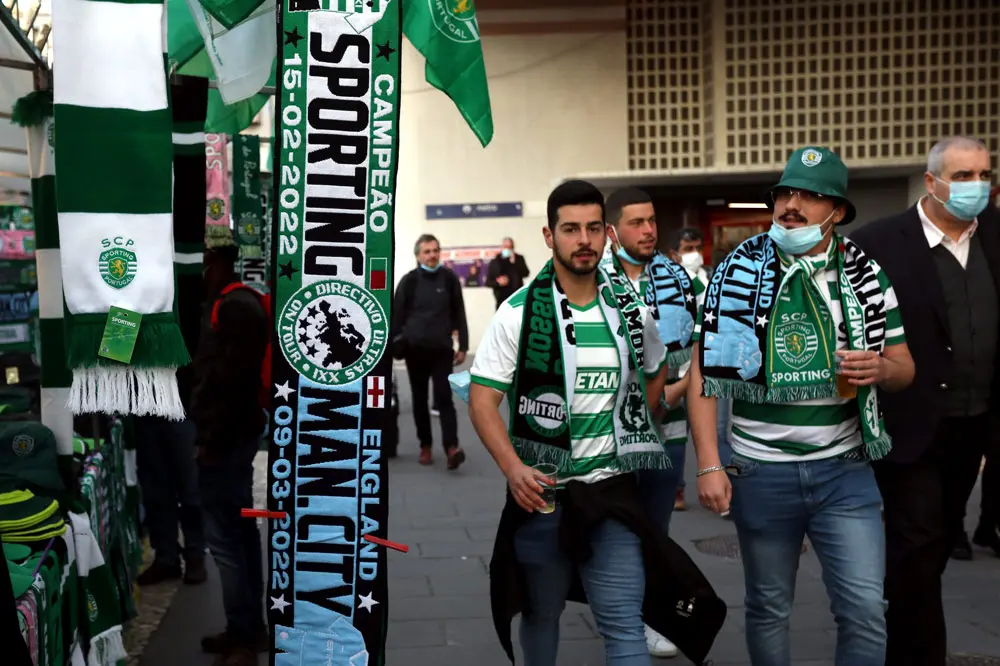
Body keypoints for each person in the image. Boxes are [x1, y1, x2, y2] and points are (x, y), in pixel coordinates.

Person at [690, 146, 915, 666]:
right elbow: (704, 373)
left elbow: (906, 368)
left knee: (864, 607)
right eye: (786, 193)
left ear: (837, 212)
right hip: (760, 471)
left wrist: (881, 369)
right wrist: (708, 463)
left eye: (811, 196)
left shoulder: (866, 276)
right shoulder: (735, 274)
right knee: (769, 606)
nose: (793, 205)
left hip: (845, 471)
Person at [469, 179, 705, 666]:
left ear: (605, 235)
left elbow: (656, 373)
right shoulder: (519, 314)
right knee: (541, 613)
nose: (584, 240)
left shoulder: (631, 312)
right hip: (544, 494)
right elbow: (482, 400)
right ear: (548, 235)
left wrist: (646, 411)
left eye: (593, 229)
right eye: (570, 229)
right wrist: (513, 469)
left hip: (611, 492)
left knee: (622, 622)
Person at [850, 136, 1000, 665]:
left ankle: (896, 619)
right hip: (909, 422)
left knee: (933, 544)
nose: (976, 186)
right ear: (932, 182)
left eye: (984, 174)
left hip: (975, 423)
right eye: (963, 177)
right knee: (917, 543)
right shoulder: (879, 243)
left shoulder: (996, 235)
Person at [602, 187, 700, 659]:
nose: (648, 230)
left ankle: (648, 617)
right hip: (612, 436)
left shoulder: (677, 276)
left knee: (656, 530)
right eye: (637, 222)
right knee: (618, 530)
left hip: (671, 428)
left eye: (652, 221)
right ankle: (619, 614)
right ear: (612, 230)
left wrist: (676, 392)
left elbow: (704, 338)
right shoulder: (593, 278)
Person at [190, 244, 269, 666]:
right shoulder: (238, 303)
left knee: (227, 543)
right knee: (238, 538)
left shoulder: (234, 308)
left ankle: (245, 634)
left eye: (204, 264)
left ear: (217, 264)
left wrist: (211, 440)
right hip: (233, 437)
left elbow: (230, 384)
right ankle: (246, 628)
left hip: (227, 441)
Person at [393, 234, 469, 469]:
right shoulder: (409, 281)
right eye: (427, 251)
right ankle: (425, 446)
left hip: (441, 350)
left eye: (435, 250)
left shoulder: (449, 279)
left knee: (445, 399)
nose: (432, 255)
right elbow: (397, 316)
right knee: (419, 400)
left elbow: (459, 312)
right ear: (418, 256)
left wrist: (463, 345)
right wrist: (397, 344)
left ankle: (451, 448)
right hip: (415, 350)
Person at [486, 237, 530, 308]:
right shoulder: (495, 262)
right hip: (501, 300)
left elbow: (526, 273)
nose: (508, 249)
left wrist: (514, 263)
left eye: (510, 247)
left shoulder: (519, 259)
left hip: (517, 299)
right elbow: (488, 282)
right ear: (502, 247)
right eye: (506, 247)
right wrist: (498, 283)